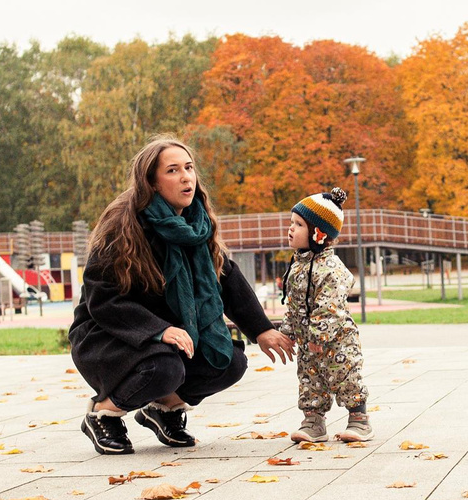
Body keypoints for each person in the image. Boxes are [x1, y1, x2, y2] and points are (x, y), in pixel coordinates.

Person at [69, 138, 294, 454]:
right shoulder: (123, 225)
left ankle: (165, 410)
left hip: (171, 338)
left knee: (228, 361)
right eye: (173, 170)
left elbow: (224, 276)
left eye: (189, 168)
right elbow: (103, 300)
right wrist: (158, 330)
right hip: (110, 336)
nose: (186, 177)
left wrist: (261, 329)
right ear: (152, 183)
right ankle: (104, 414)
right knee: (164, 368)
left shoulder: (197, 222)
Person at [279, 190, 369, 445]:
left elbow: (330, 305)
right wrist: (288, 331)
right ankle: (313, 422)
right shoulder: (297, 266)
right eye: (291, 223)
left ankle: (359, 419)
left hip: (337, 340)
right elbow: (295, 306)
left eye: (298, 225)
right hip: (309, 344)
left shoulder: (331, 269)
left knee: (346, 376)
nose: (290, 229)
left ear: (319, 234)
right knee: (310, 381)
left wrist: (319, 334)